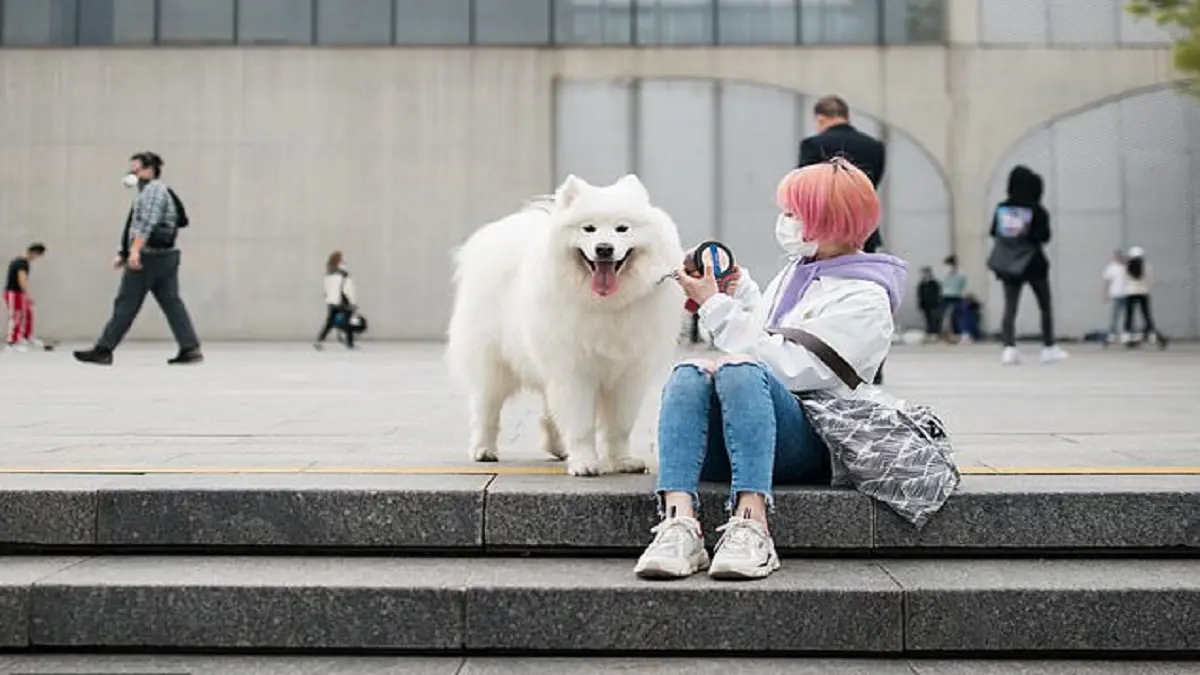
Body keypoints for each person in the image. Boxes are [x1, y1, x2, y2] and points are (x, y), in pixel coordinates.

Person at [634, 158, 907, 581]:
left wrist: (713, 305)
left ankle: (752, 524)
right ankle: (678, 523)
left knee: (740, 370)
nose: (784, 221)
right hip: (752, 432)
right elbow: (763, 328)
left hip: (813, 440)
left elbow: (791, 367)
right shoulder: (799, 271)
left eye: (793, 213)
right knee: (689, 372)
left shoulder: (865, 296)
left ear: (828, 220)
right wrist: (736, 290)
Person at [73, 152, 203, 366]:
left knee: (126, 303)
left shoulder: (152, 190)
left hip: (149, 257)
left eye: (136, 169)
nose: (132, 173)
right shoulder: (151, 191)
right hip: (166, 256)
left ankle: (104, 349)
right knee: (172, 303)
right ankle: (190, 348)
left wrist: (134, 252)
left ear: (149, 170)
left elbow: (146, 223)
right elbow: (134, 225)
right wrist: (123, 252)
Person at [986, 165, 1068, 366]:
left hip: (1009, 264)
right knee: (1044, 305)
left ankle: (1009, 348)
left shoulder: (1003, 208)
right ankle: (1048, 347)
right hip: (1033, 263)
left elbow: (994, 232)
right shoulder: (1036, 209)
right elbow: (1044, 236)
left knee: (1010, 307)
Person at [798, 95, 887, 254]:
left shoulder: (813, 145)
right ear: (846, 116)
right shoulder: (874, 146)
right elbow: (873, 184)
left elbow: (807, 188)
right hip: (864, 227)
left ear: (821, 119)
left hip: (825, 229)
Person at [1122, 246, 1168, 350]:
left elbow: (1125, 280)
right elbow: (1150, 281)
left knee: (1129, 315)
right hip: (1143, 292)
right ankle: (1153, 334)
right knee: (1146, 316)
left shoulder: (1127, 268)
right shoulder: (1147, 267)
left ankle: (1127, 335)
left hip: (1130, 292)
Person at [5, 242, 46, 352]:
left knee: (28, 314)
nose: (36, 258)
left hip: (19, 293)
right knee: (17, 316)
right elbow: (22, 279)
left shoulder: (22, 262)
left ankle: (26, 337)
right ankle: (12, 343)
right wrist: (27, 295)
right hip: (14, 293)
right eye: (38, 255)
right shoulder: (21, 263)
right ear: (34, 253)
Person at [314, 250, 359, 350]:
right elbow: (347, 289)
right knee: (348, 321)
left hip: (332, 301)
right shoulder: (343, 274)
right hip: (343, 300)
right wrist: (353, 302)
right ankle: (349, 343)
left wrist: (329, 298)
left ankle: (320, 340)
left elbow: (327, 289)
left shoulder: (328, 273)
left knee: (330, 322)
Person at [940, 255, 969, 343]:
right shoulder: (944, 274)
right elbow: (942, 284)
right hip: (946, 296)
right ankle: (946, 335)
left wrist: (964, 295)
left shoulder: (960, 274)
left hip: (956, 296)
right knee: (945, 317)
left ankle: (960, 334)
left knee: (957, 317)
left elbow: (964, 285)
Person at [1101, 249, 1127, 345]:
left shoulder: (1125, 267)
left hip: (1126, 293)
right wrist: (1105, 293)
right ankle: (1112, 333)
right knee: (1115, 315)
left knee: (1126, 315)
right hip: (1116, 294)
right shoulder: (1111, 268)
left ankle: (1125, 332)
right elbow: (1107, 281)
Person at [917, 266, 942, 342]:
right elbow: (920, 295)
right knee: (928, 319)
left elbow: (937, 294)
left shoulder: (934, 284)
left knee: (934, 319)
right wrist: (921, 304)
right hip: (925, 305)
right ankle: (929, 333)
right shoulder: (922, 284)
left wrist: (937, 303)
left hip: (934, 305)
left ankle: (934, 333)